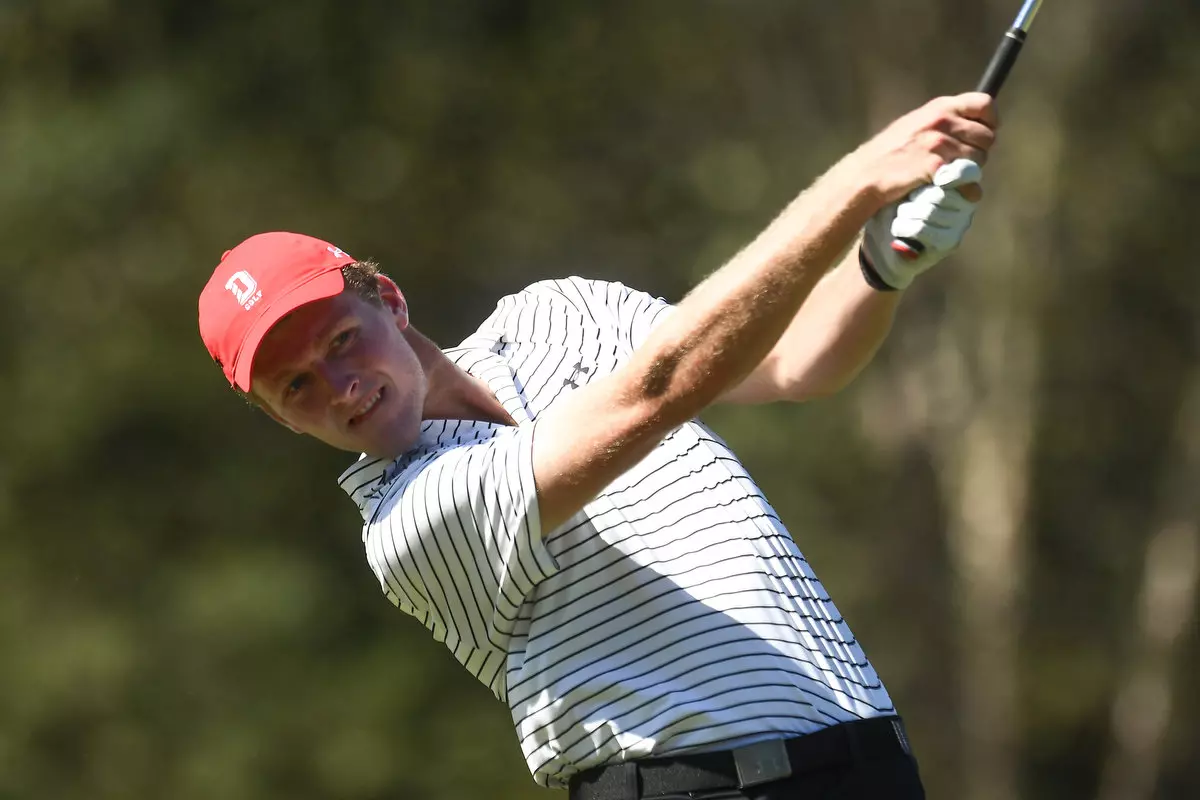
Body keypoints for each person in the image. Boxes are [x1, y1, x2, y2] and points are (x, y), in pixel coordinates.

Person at [198, 92, 998, 800]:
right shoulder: (408, 521)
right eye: (296, 385)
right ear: (281, 419)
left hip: (867, 766)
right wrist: (855, 184)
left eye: (341, 339)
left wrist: (879, 265)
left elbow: (793, 361)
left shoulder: (560, 313)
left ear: (391, 302)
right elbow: (657, 391)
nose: (338, 386)